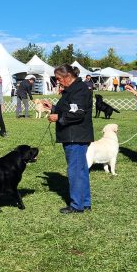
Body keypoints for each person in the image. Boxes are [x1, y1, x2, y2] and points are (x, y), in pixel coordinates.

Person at [40, 64, 94, 213]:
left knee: (75, 171)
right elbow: (69, 108)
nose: (58, 82)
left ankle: (77, 206)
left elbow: (78, 113)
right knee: (81, 170)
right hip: (73, 135)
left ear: (68, 76)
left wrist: (58, 117)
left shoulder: (79, 90)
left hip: (75, 136)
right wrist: (52, 108)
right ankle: (85, 202)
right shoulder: (72, 90)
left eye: (58, 79)